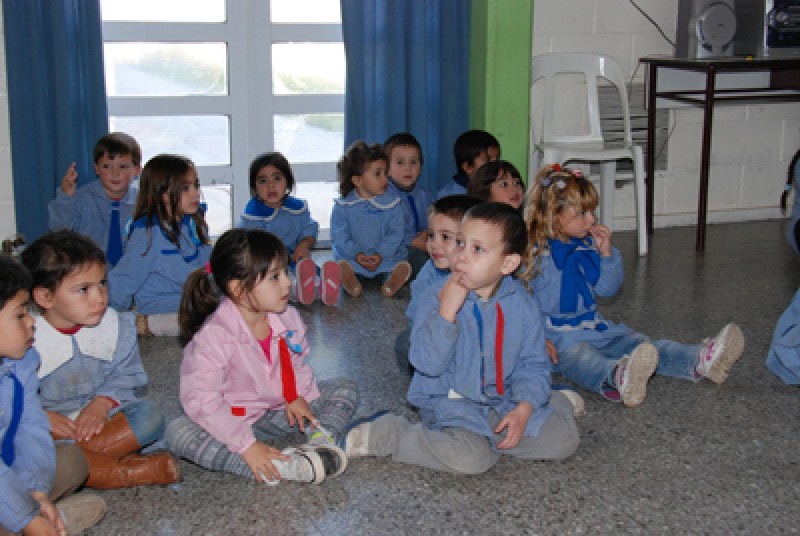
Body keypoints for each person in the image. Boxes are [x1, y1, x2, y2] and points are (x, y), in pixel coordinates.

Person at [340, 203, 579, 474]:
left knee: (563, 440)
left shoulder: (523, 305)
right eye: (461, 243)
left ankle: (543, 403)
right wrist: (446, 314)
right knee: (471, 459)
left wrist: (524, 409)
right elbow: (425, 364)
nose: (461, 256)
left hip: (502, 401)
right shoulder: (436, 297)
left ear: (508, 263)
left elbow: (533, 364)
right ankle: (387, 434)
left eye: (477, 249)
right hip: (450, 403)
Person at [523, 164, 745, 407]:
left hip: (595, 327)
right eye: (582, 214)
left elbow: (607, 289)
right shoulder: (534, 257)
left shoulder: (587, 247)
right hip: (558, 339)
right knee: (581, 359)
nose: (592, 220)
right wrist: (538, 340)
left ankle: (700, 359)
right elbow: (521, 306)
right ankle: (618, 377)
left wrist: (606, 255)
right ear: (554, 215)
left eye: (592, 212)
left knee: (641, 344)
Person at [165, 228, 357, 485]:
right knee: (178, 432)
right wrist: (246, 445)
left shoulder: (288, 317)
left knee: (345, 388)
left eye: (286, 272)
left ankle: (320, 443)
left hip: (277, 412)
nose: (288, 283)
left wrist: (295, 395)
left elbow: (297, 364)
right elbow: (203, 401)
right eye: (275, 277)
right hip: (230, 420)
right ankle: (278, 468)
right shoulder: (213, 337)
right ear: (239, 289)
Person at [19, 230, 180, 491]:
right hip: (50, 428)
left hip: (103, 420)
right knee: (22, 443)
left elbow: (128, 377)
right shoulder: (24, 338)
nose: (100, 297)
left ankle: (80, 467)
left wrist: (101, 404)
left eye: (102, 283)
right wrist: (42, 417)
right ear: (45, 298)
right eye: (84, 289)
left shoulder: (115, 327)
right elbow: (11, 398)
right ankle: (124, 472)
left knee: (149, 416)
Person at [0, 256, 107, 535]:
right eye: (20, 315)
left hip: (8, 474)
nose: (31, 322)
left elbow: (31, 429)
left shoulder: (22, 362)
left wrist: (36, 491)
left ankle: (31, 520)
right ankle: (35, 523)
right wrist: (27, 517)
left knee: (72, 460)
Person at [108, 154, 212, 336]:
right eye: (185, 188)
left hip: (191, 300)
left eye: (195, 185)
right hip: (160, 308)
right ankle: (144, 325)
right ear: (162, 194)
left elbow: (206, 265)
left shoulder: (192, 224)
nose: (195, 193)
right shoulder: (148, 234)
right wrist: (112, 320)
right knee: (215, 325)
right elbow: (125, 277)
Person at [394, 194, 482, 373]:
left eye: (446, 237)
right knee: (404, 343)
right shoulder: (429, 271)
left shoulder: (483, 275)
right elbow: (415, 317)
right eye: (431, 235)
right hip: (437, 342)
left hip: (476, 349)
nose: (434, 244)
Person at [238, 152, 340, 306]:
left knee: (308, 271)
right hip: (267, 264)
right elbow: (253, 248)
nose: (271, 186)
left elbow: (309, 228)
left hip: (296, 259)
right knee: (278, 283)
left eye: (277, 178)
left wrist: (304, 244)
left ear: (288, 182)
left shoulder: (297, 208)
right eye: (263, 181)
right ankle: (300, 290)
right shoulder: (253, 216)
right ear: (255, 187)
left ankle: (321, 287)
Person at [48, 132, 142, 266]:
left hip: (132, 271)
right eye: (107, 166)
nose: (115, 173)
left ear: (137, 170)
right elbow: (59, 229)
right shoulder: (82, 198)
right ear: (97, 169)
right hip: (88, 269)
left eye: (123, 167)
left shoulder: (143, 203)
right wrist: (66, 196)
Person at [331, 141, 411, 298]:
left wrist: (380, 254)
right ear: (358, 180)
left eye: (385, 173)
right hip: (354, 257)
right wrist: (356, 254)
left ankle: (392, 280)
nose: (385, 179)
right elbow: (340, 236)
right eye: (378, 174)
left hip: (386, 256)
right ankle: (349, 279)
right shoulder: (343, 206)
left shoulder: (393, 203)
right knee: (345, 262)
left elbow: (395, 234)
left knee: (394, 261)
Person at [384, 132, 432, 277]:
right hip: (395, 247)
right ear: (387, 169)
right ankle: (392, 277)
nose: (408, 168)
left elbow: (433, 221)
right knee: (416, 258)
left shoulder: (425, 195)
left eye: (414, 162)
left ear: (421, 168)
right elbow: (389, 231)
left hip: (422, 243)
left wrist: (427, 233)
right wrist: (414, 241)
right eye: (400, 162)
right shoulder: (385, 198)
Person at [435, 129, 500, 200]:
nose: (495, 165)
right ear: (468, 167)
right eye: (488, 160)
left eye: (497, 159)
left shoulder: (495, 188)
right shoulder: (448, 196)